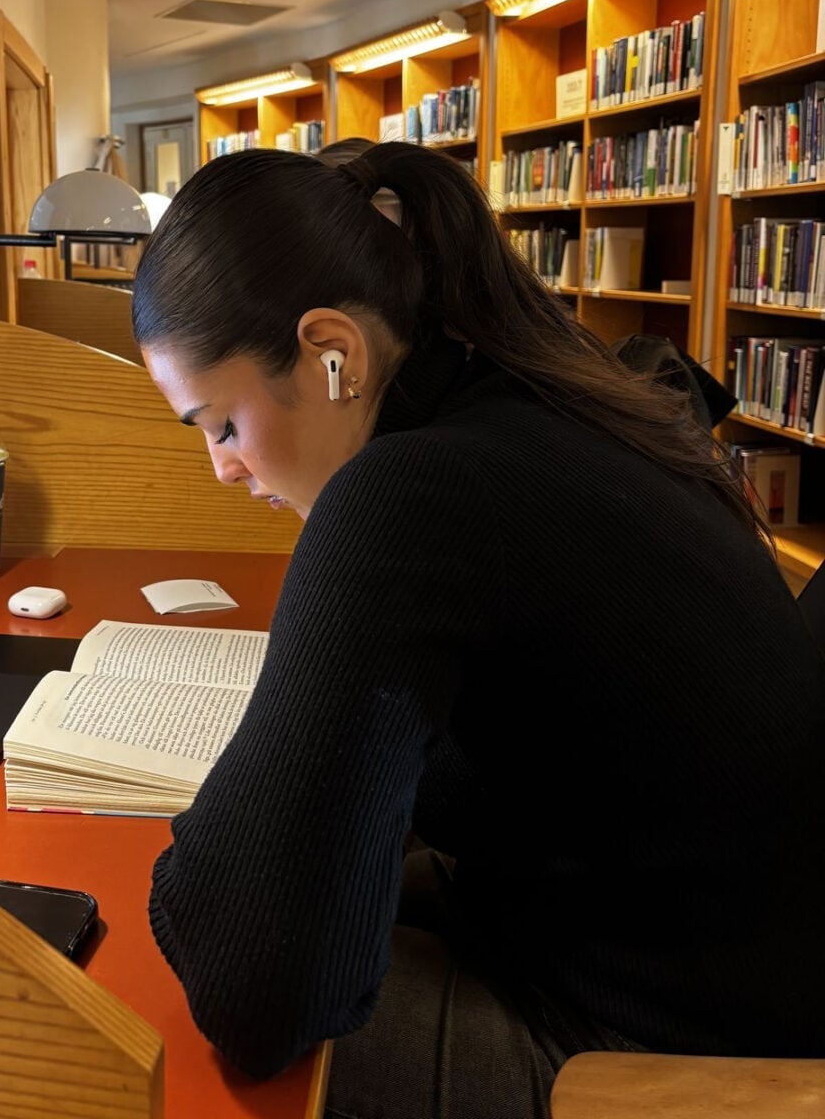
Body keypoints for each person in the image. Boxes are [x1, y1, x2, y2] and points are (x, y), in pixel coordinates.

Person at [130, 142, 824, 1119]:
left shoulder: (409, 495)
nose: (223, 471)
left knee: (149, 1036)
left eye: (221, 424)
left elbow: (259, 989)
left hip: (687, 1059)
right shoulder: (538, 391)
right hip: (736, 958)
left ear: (335, 355)